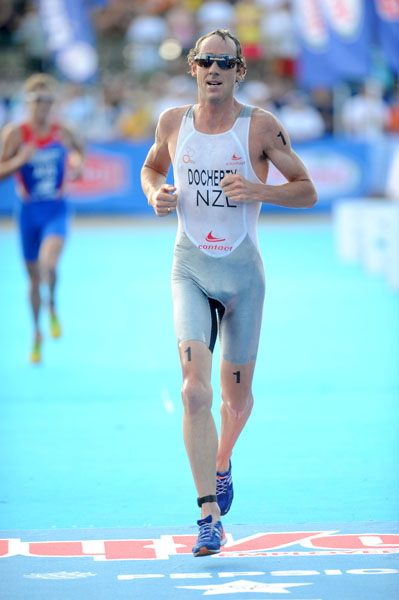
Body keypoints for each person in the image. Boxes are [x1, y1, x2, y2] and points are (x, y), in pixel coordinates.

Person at [141, 29, 317, 557]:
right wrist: (156, 193)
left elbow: (307, 191)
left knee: (235, 400)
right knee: (195, 391)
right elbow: (151, 168)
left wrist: (257, 189)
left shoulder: (260, 126)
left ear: (239, 71)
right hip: (189, 269)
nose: (214, 69)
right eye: (205, 61)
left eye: (225, 62)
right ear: (192, 68)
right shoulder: (173, 122)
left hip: (243, 279)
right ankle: (207, 516)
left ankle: (222, 463)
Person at [0, 73, 84, 363]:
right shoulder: (15, 134)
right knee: (34, 279)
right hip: (27, 213)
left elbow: (79, 153)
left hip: (56, 209)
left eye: (48, 100)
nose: (43, 106)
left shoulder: (63, 131)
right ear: (27, 102)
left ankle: (53, 305)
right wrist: (19, 161)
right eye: (37, 101)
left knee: (49, 264)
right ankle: (36, 332)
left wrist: (76, 163)